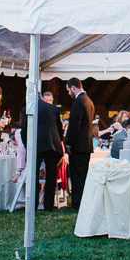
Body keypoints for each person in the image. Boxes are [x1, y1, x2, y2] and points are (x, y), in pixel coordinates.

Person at [64, 78, 96, 211]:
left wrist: (69, 144)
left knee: (77, 176)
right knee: (82, 175)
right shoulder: (89, 101)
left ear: (72, 87)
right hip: (86, 145)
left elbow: (74, 125)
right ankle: (83, 203)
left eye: (68, 90)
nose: (68, 94)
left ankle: (77, 204)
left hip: (78, 146)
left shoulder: (78, 101)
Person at [32, 90, 64, 212]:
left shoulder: (29, 108)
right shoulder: (54, 109)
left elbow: (25, 130)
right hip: (52, 144)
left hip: (37, 144)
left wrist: (27, 145)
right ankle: (48, 205)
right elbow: (59, 128)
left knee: (34, 174)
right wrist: (59, 141)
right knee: (51, 175)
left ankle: (33, 204)